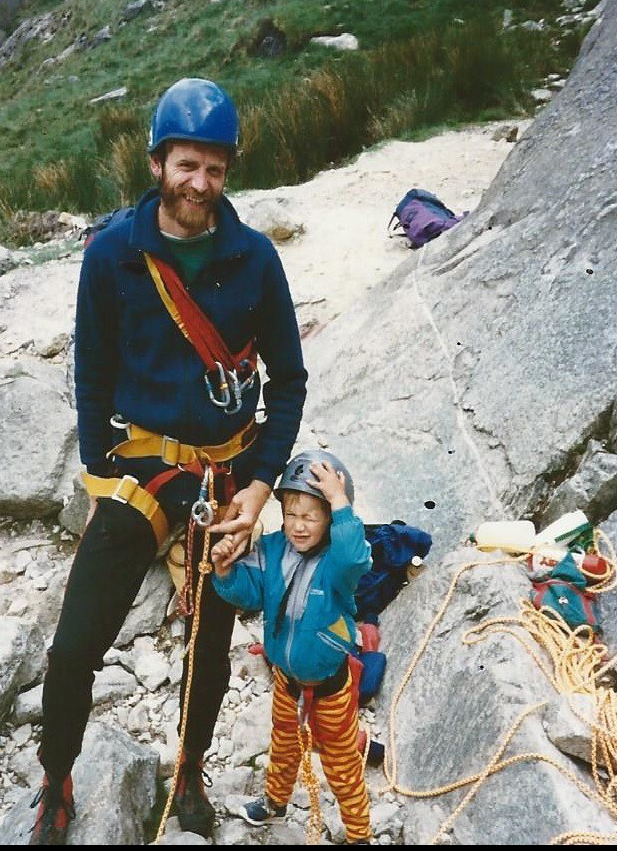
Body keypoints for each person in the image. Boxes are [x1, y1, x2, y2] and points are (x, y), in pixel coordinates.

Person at [29, 77, 307, 845]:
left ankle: (189, 770)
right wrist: (96, 477)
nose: (201, 184)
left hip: (224, 474)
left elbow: (287, 380)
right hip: (141, 470)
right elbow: (91, 377)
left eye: (215, 169)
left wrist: (257, 489)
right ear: (157, 162)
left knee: (208, 646)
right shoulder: (113, 257)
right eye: (187, 165)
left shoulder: (253, 259)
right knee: (76, 641)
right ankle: (56, 776)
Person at [211, 449, 374, 845]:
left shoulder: (337, 563)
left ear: (329, 521)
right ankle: (275, 801)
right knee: (282, 746)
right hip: (286, 680)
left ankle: (359, 834)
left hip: (332, 689)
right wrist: (224, 571)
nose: (298, 527)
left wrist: (340, 502)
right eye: (291, 515)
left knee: (341, 764)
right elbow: (250, 595)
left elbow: (356, 556)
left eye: (311, 517)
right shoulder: (273, 550)